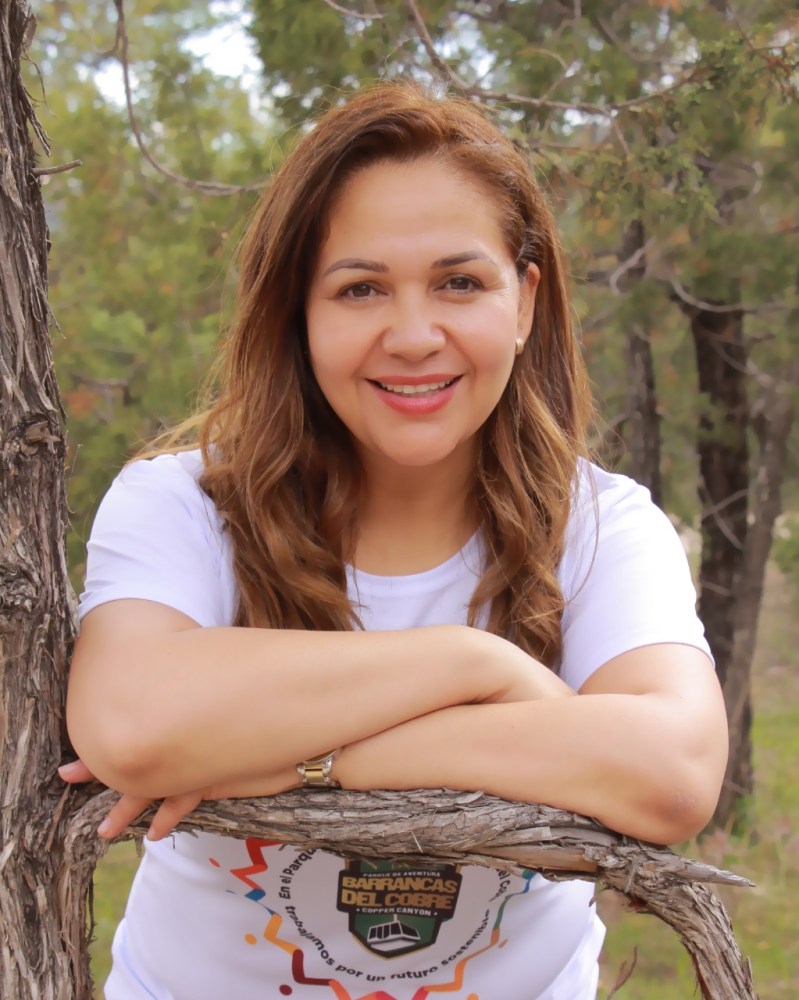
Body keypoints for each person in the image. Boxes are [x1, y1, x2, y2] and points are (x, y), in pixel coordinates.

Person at [62, 82, 728, 1000]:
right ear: (300, 309)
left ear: (525, 300)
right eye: (360, 287)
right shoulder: (182, 502)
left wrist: (284, 762)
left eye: (459, 282)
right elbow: (132, 725)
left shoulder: (604, 528)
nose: (413, 335)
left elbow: (673, 776)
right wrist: (472, 666)